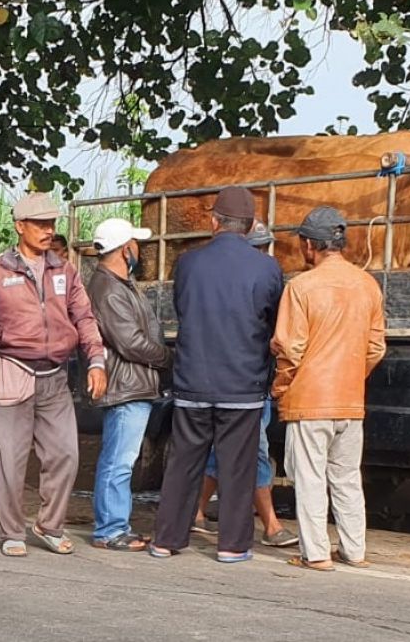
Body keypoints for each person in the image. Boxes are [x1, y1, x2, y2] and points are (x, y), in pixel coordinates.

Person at [0, 193, 107, 557]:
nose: (48, 231)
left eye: (52, 224)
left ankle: (49, 525)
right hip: (11, 373)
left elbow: (85, 319)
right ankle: (12, 532)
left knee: (66, 455)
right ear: (20, 226)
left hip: (56, 376)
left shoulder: (65, 270)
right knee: (10, 462)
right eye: (40, 224)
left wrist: (96, 360)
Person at [149, 187, 282, 564]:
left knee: (182, 462)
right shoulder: (267, 268)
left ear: (213, 221)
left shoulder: (188, 264)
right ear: (253, 224)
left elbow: (182, 309)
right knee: (237, 467)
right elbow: (273, 325)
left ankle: (166, 539)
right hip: (243, 384)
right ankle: (232, 545)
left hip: (192, 380)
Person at [273, 206, 386, 571]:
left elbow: (290, 348)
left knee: (309, 478)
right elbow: (376, 348)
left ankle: (316, 554)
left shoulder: (301, 287)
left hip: (308, 400)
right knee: (347, 478)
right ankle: (355, 551)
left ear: (309, 245)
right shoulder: (368, 284)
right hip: (351, 401)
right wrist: (352, 375)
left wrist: (282, 387)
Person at [192, 221, 298, 549]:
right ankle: (270, 524)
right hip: (247, 385)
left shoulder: (228, 284)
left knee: (218, 449)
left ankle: (195, 513)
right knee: (256, 450)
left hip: (231, 380)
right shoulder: (260, 283)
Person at [86, 218, 171, 553]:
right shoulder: (108, 289)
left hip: (132, 384)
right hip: (127, 386)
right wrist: (167, 358)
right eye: (136, 243)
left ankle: (115, 525)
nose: (140, 249)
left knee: (120, 459)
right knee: (119, 461)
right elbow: (131, 343)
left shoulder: (119, 283)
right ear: (125, 249)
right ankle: (110, 529)